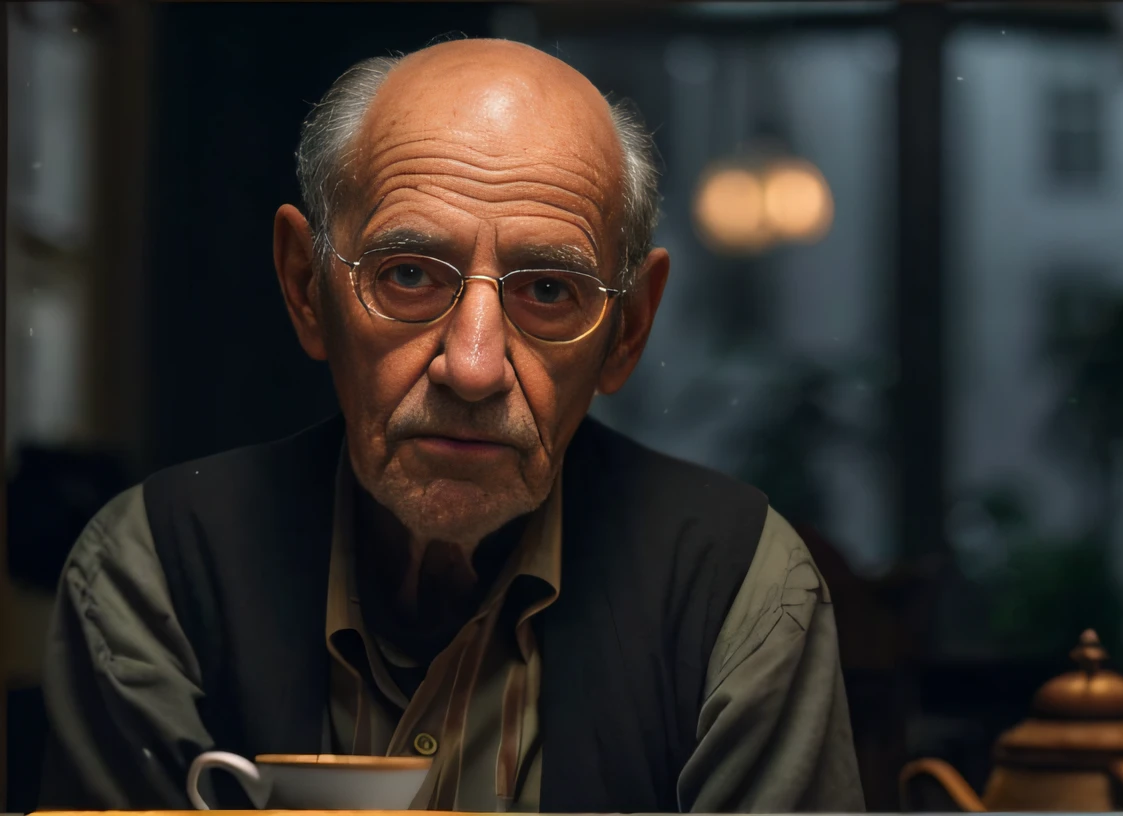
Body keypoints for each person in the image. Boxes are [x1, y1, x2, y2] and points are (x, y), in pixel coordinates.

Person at [40, 38, 863, 813]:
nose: (472, 367)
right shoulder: (158, 570)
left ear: (629, 331)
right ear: (305, 286)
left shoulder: (739, 590)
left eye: (548, 292)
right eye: (407, 275)